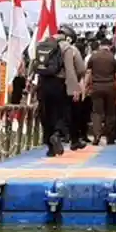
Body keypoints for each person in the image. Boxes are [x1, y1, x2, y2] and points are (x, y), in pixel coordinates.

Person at [32, 27, 69, 156]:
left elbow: (34, 66)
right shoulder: (60, 48)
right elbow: (59, 66)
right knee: (59, 112)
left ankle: (49, 147)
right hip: (56, 83)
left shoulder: (40, 47)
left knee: (45, 114)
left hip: (42, 84)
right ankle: (57, 133)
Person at [84, 40, 116, 145]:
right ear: (110, 46)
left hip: (96, 87)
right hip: (110, 87)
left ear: (100, 46)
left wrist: (86, 86)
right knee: (110, 113)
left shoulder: (93, 57)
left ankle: (97, 136)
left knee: (97, 113)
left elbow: (88, 73)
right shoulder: (113, 58)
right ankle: (110, 137)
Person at [61, 25, 88, 150]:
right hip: (68, 85)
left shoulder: (48, 46)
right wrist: (76, 87)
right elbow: (81, 69)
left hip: (49, 85)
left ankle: (55, 136)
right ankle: (74, 139)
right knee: (72, 113)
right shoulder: (72, 49)